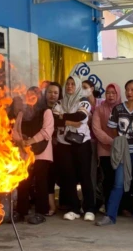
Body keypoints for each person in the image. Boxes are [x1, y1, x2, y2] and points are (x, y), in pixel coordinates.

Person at [98, 80, 133, 226]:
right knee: (118, 183)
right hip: (122, 153)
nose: (129, 93)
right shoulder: (118, 109)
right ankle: (110, 215)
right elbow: (113, 129)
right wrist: (121, 141)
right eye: (127, 90)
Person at [54, 75, 97, 221]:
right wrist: (70, 123)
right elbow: (54, 121)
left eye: (73, 84)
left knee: (85, 177)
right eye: (68, 84)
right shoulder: (59, 102)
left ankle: (90, 208)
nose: (70, 86)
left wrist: (63, 118)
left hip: (81, 144)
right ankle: (74, 208)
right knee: (69, 178)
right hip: (64, 145)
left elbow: (80, 116)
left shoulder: (83, 101)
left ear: (78, 86)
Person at [14, 87, 55, 224]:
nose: (32, 96)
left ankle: (40, 212)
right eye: (30, 94)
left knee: (40, 183)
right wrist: (21, 142)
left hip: (41, 152)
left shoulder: (46, 111)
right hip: (25, 153)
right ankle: (21, 211)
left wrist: (30, 141)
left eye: (35, 94)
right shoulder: (22, 113)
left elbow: (47, 131)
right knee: (23, 182)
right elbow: (16, 130)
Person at [91, 83, 121, 212]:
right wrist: (112, 142)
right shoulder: (99, 109)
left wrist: (119, 143)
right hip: (104, 150)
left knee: (120, 179)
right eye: (108, 93)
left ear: (118, 94)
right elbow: (96, 130)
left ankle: (122, 207)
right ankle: (109, 206)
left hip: (121, 150)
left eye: (113, 93)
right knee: (107, 179)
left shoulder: (122, 108)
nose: (110, 95)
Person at [43, 82, 62, 216]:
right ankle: (51, 205)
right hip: (44, 148)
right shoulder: (41, 109)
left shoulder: (62, 108)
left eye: (55, 92)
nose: (52, 95)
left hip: (61, 147)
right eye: (50, 92)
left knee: (62, 176)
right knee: (47, 176)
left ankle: (64, 203)